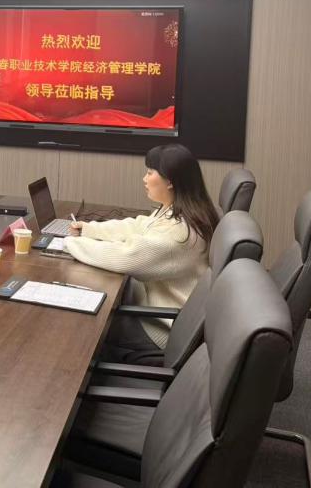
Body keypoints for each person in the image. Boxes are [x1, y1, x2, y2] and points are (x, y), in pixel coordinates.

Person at [64, 143, 218, 358]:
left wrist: (70, 243)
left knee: (77, 320)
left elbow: (127, 256)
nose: (144, 179)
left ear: (170, 181)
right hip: (150, 308)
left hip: (157, 328)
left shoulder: (180, 231)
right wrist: (89, 230)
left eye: (150, 172)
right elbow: (138, 226)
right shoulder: (177, 212)